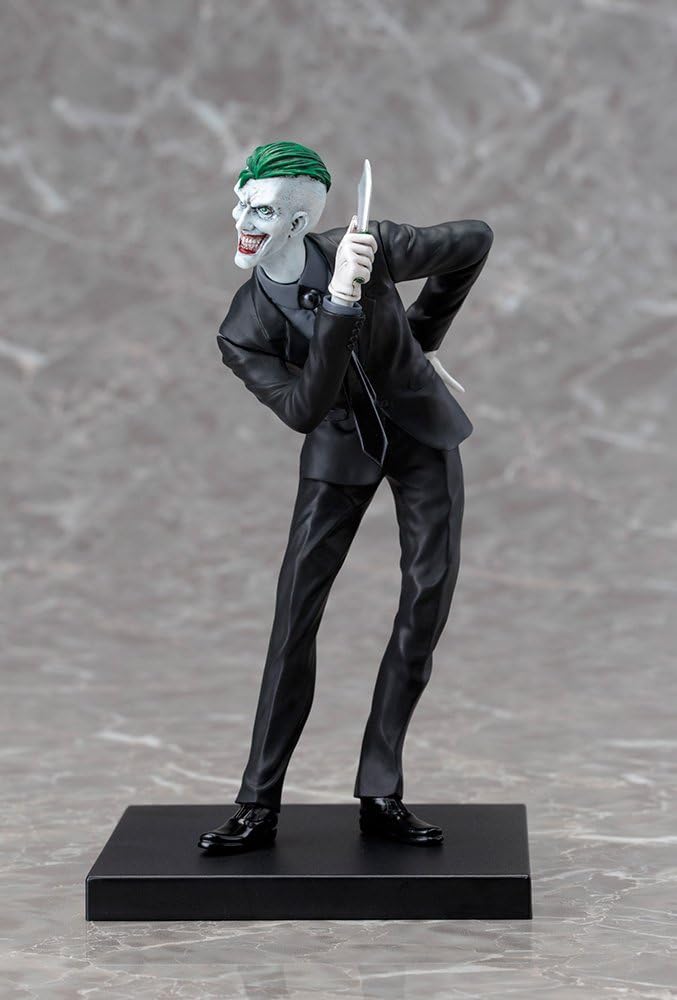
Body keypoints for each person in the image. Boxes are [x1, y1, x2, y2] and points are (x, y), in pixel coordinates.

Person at [198, 142, 493, 852]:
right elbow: (304, 407)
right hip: (336, 450)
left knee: (423, 607)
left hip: (422, 435)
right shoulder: (243, 330)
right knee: (294, 618)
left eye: (260, 210)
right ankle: (258, 804)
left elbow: (474, 241)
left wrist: (421, 338)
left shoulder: (371, 244)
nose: (240, 220)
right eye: (240, 202)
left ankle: (380, 791)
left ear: (299, 222)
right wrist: (339, 304)